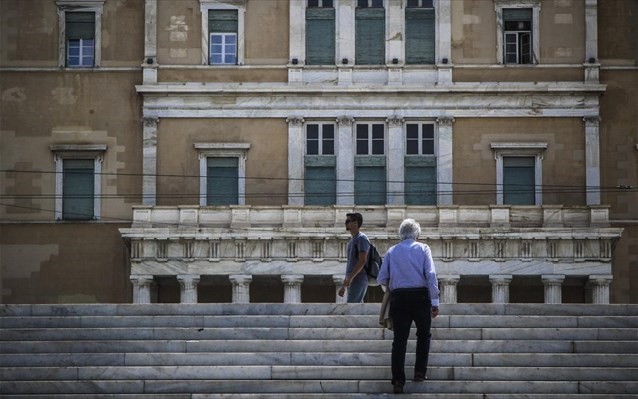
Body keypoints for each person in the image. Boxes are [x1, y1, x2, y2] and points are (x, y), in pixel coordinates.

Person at [376, 218, 440, 394]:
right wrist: (435, 301)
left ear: (400, 235)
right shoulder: (423, 248)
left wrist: (392, 286)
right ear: (417, 234)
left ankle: (398, 380)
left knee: (399, 341)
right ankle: (420, 372)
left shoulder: (391, 251)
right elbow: (431, 275)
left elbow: (381, 278)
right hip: (420, 297)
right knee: (423, 335)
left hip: (399, 298)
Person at [338, 212, 370, 303]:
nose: (345, 223)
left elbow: (362, 260)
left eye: (348, 221)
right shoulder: (352, 240)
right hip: (353, 280)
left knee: (353, 308)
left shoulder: (362, 238)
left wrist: (350, 278)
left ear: (356, 223)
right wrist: (345, 283)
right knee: (357, 308)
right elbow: (351, 264)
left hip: (358, 279)